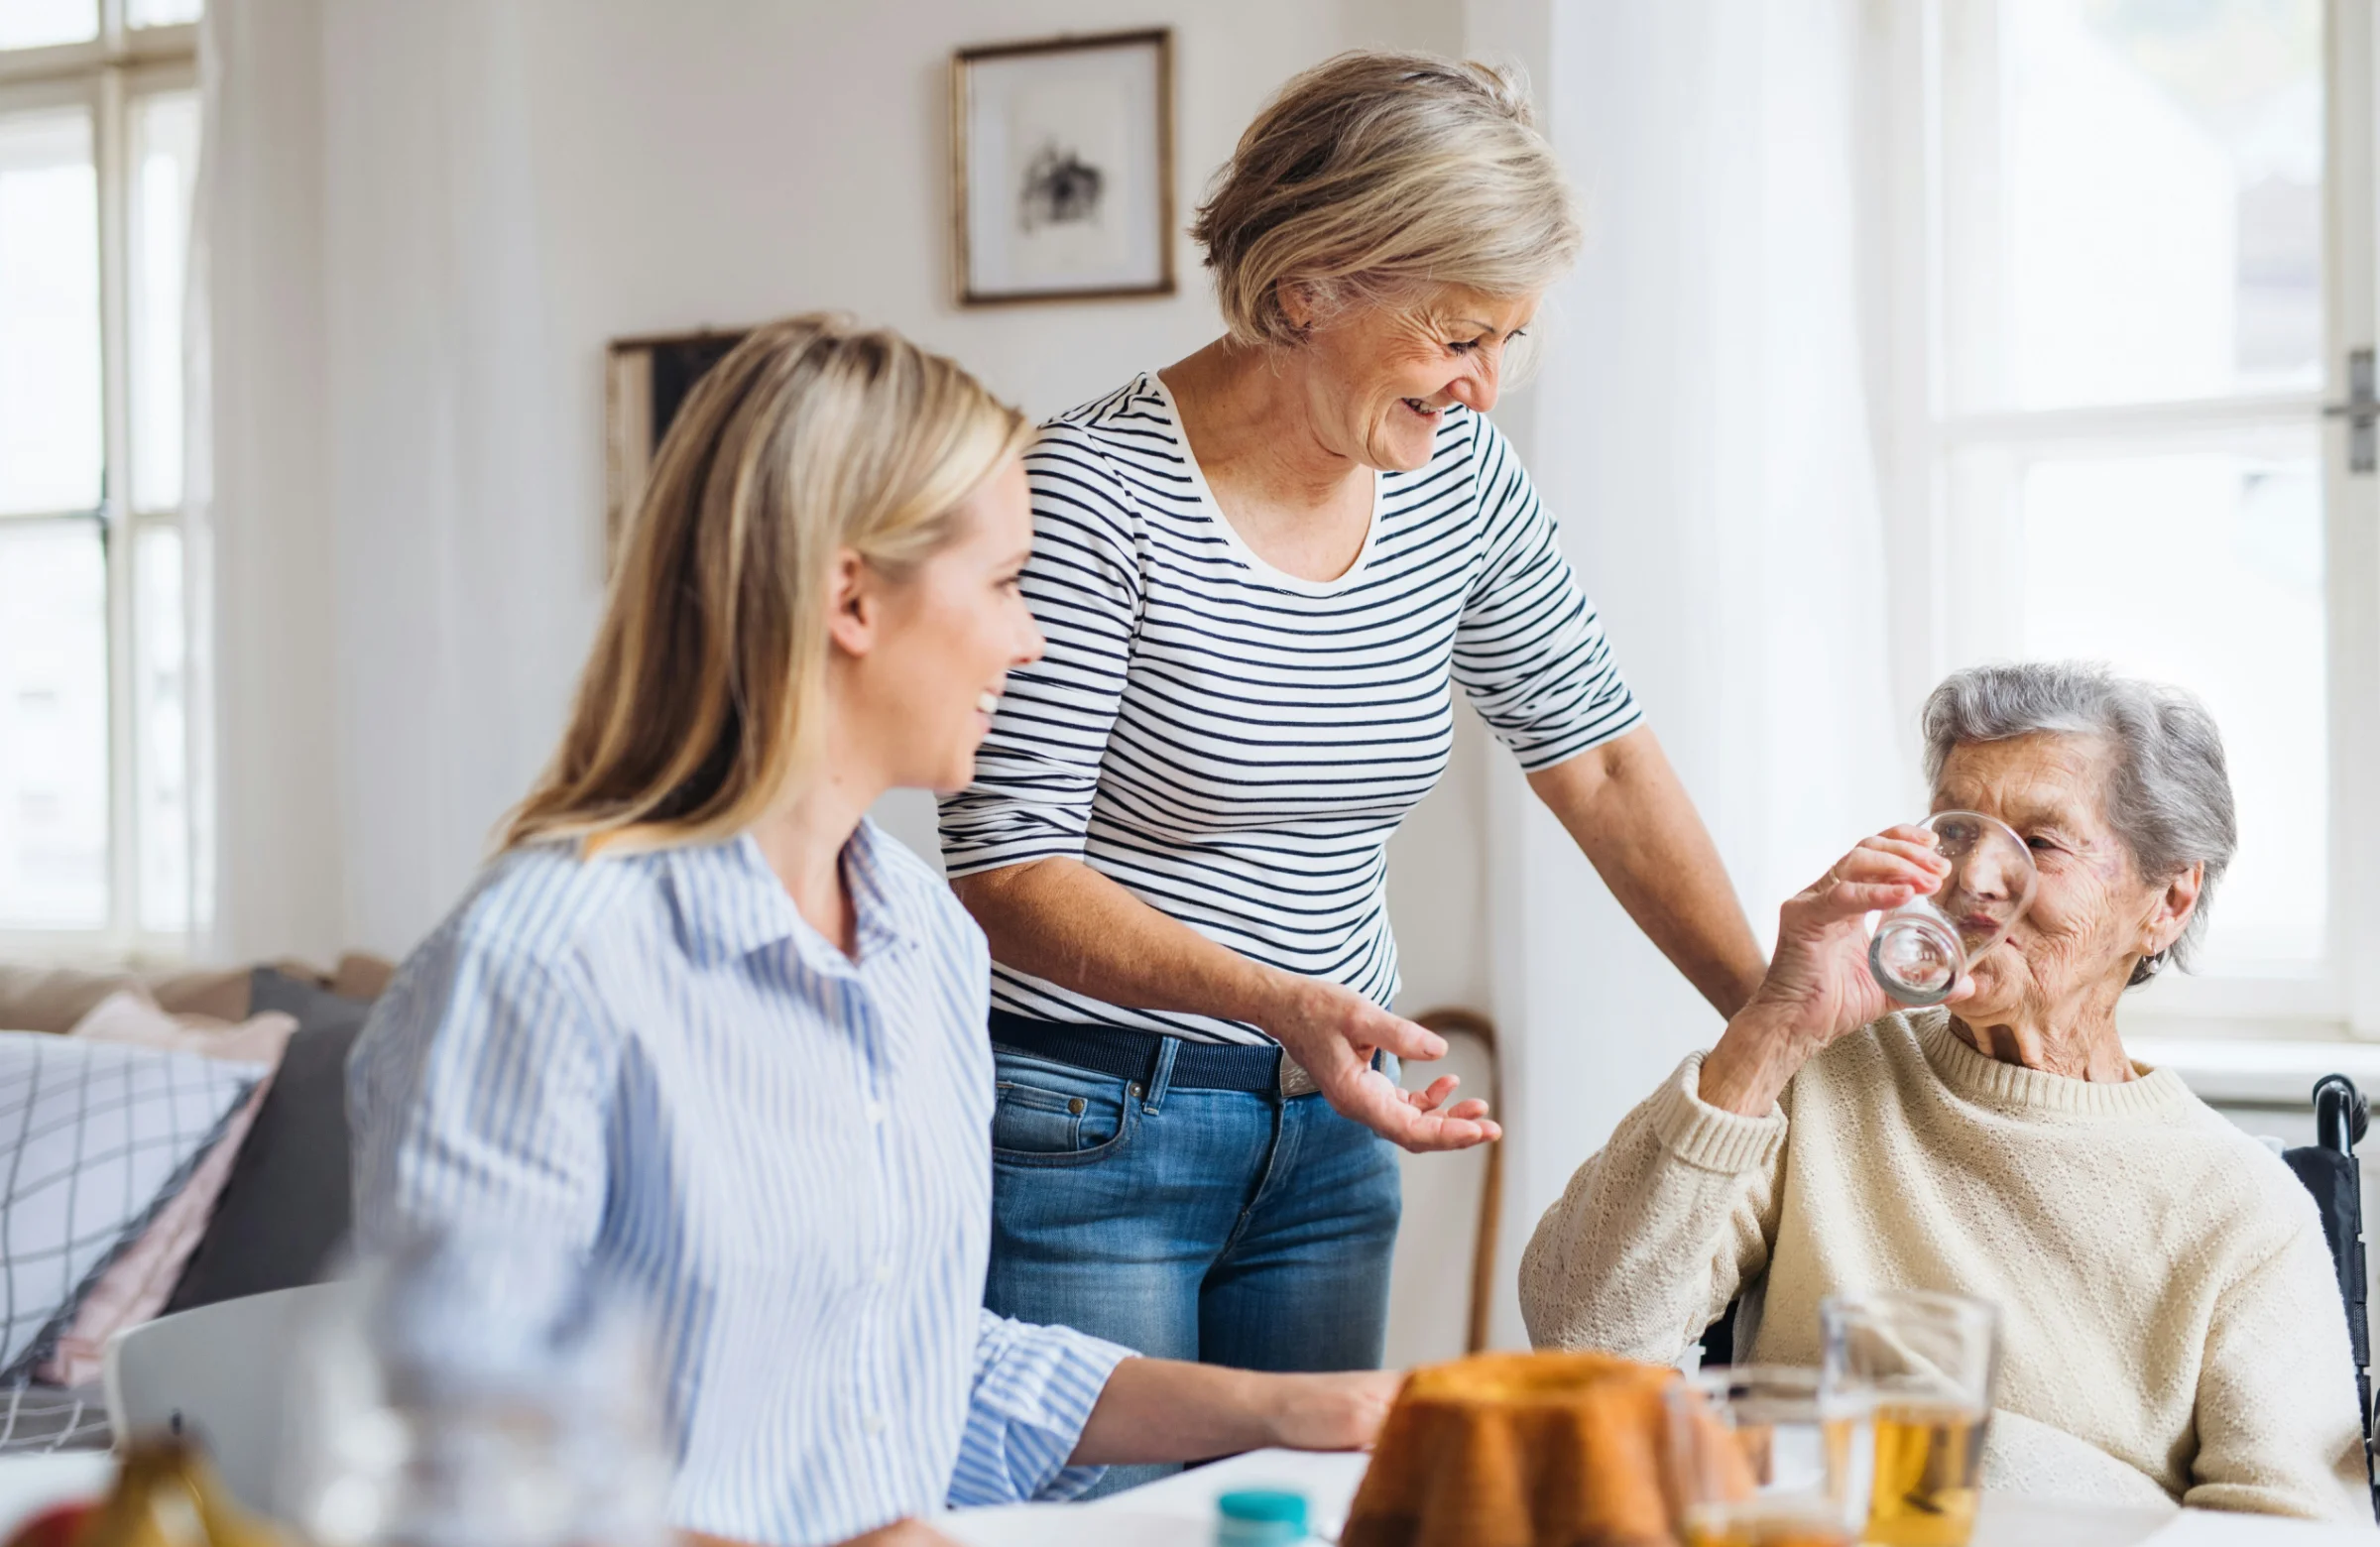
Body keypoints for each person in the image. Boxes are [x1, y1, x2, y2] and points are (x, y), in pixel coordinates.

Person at [347, 316, 1400, 1547]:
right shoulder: (538, 970)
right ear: (851, 596)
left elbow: (915, 1364)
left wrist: (1289, 1410)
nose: (1029, 637)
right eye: (1003, 583)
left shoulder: (922, 940)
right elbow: (474, 1496)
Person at [935, 50, 1766, 1417]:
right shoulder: (1091, 490)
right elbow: (1005, 869)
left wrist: (1765, 1019)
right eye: (1457, 336)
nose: (1485, 386)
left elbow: (1605, 764)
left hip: (1333, 1129)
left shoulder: (1462, 481)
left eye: (1508, 340)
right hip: (1093, 1125)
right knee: (1106, 1514)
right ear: (1305, 287)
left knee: (1304, 1503)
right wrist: (1278, 1004)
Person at [1517, 661, 2370, 1520]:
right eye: (1958, 834)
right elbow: (1582, 1339)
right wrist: (1769, 1031)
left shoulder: (2242, 1209)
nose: (1974, 879)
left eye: (2040, 843)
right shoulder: (1820, 1072)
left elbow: (2292, 1525)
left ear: (2169, 901)